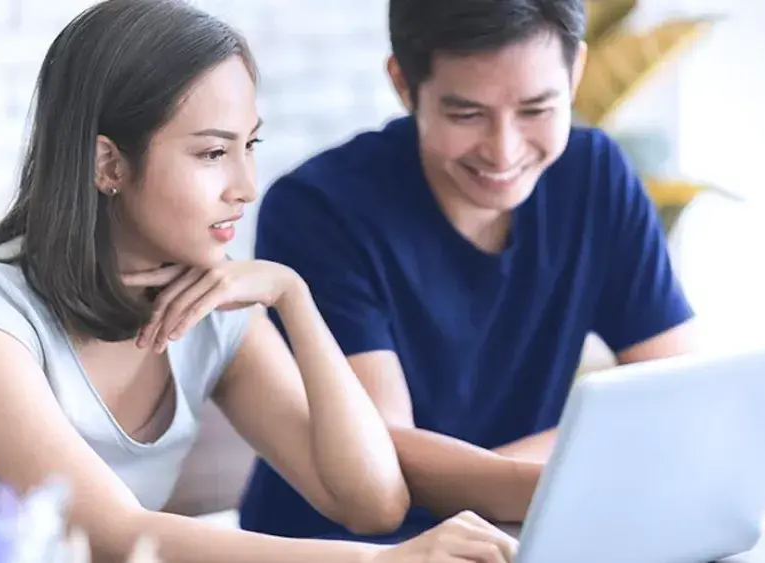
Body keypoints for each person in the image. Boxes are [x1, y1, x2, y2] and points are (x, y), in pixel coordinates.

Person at [0, 1, 519, 561]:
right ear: (108, 163)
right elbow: (111, 534)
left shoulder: (214, 306)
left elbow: (372, 500)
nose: (245, 187)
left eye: (250, 146)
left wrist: (293, 297)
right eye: (213, 152)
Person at [240, 0, 699, 544]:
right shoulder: (318, 210)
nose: (504, 151)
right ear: (404, 85)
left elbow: (675, 394)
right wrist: (566, 474)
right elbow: (383, 458)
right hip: (347, 547)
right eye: (466, 114)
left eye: (535, 110)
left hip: (523, 528)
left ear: (576, 72)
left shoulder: (594, 174)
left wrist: (520, 484)